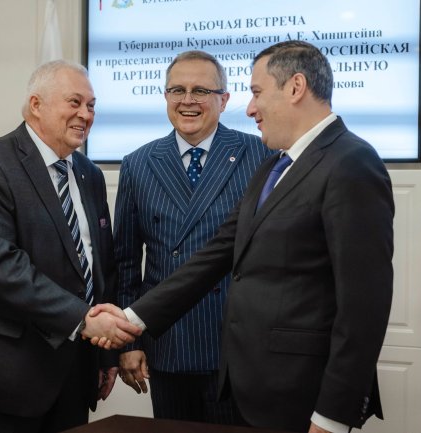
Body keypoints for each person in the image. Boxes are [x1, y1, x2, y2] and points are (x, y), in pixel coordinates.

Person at [92, 40, 394, 433]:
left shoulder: (351, 162)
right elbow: (215, 255)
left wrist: (332, 417)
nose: (250, 108)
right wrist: (131, 320)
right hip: (253, 381)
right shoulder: (276, 166)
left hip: (300, 392)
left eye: (256, 93)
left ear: (295, 87)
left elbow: (363, 309)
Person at [0, 60, 141, 433]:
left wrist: (105, 355)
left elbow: (101, 268)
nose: (85, 114)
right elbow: (1, 265)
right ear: (36, 104)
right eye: (74, 102)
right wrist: (84, 320)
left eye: (91, 105)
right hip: (3, 375)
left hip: (74, 373)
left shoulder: (89, 174)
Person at [114, 50, 272, 424]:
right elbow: (124, 263)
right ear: (165, 96)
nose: (187, 101)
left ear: (224, 100)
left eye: (201, 90)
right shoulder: (138, 163)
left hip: (236, 345)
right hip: (168, 343)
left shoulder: (260, 155)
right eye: (177, 90)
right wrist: (129, 341)